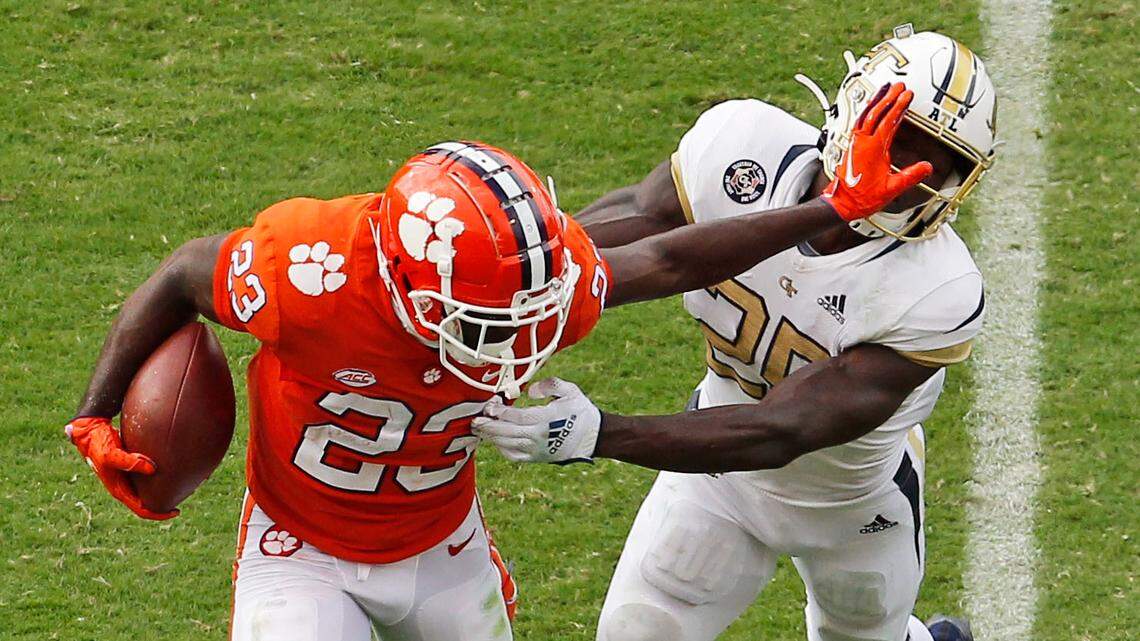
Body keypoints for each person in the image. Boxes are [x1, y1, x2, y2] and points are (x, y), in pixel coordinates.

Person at [66, 114, 925, 641]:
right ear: (405, 285)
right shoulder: (309, 269)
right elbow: (185, 274)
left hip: (444, 547)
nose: (514, 343)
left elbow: (664, 257)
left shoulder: (531, 289)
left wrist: (830, 211)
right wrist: (96, 414)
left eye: (525, 311)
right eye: (484, 323)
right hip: (303, 549)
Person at [472, 26, 992, 641]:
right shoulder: (743, 147)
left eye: (937, 159)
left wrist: (598, 433)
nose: (907, 172)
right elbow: (644, 242)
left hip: (853, 505)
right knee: (637, 632)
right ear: (854, 108)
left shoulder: (940, 290)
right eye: (895, 136)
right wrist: (511, 279)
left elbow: (781, 430)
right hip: (718, 479)